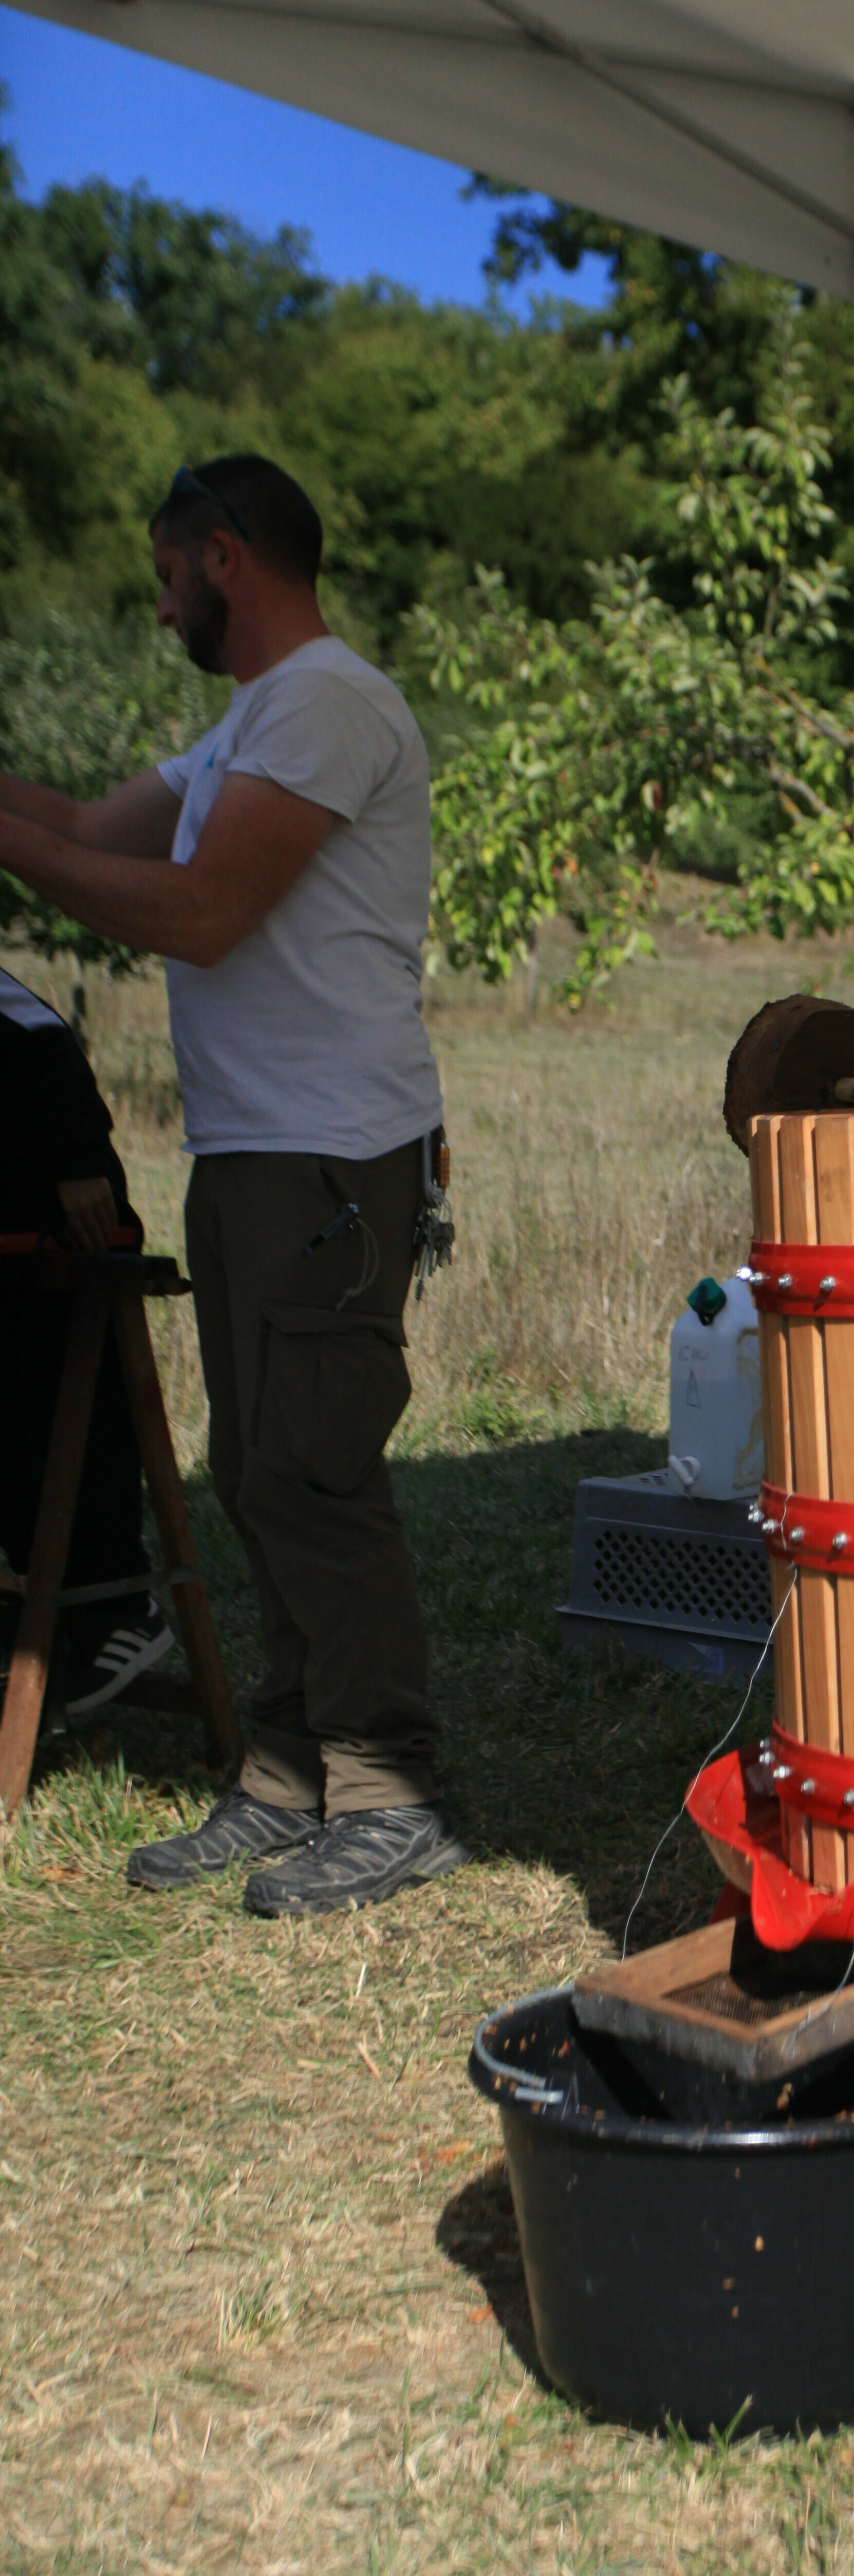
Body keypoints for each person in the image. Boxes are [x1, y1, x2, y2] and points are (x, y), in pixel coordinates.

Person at [0, 455, 467, 1914]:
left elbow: (202, 915)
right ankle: (287, 1772)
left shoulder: (328, 701)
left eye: (159, 575)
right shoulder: (248, 727)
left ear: (221, 558)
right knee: (260, 1472)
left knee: (315, 1473)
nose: (153, 607)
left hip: (327, 1152)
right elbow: (80, 826)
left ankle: (390, 1789)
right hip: (261, 1152)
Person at [0, 966, 173, 1717]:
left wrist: (77, 1154)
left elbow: (34, 1026)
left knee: (63, 1400)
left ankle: (117, 1608)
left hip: (52, 1231)